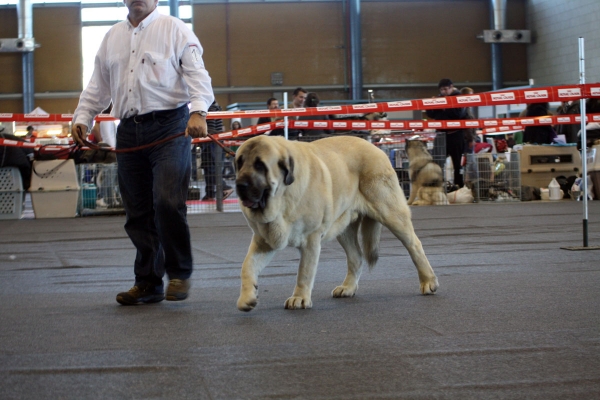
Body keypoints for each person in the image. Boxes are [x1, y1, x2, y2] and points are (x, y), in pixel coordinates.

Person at [70, 0, 214, 305]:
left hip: (170, 127)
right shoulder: (112, 37)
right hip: (128, 131)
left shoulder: (175, 29)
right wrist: (83, 117)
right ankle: (148, 282)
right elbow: (97, 86)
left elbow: (197, 75)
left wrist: (199, 111)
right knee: (136, 212)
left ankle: (179, 273)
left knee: (166, 200)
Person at [426, 78, 469, 187]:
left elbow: (457, 114)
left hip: (456, 134)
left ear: (451, 87)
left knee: (457, 164)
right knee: (437, 162)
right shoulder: (438, 98)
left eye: (445, 89)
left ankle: (459, 186)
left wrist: (443, 106)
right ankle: (437, 185)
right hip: (441, 135)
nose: (443, 92)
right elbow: (431, 114)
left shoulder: (460, 98)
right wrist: (431, 104)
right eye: (441, 90)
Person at [200, 101, 233, 201]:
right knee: (208, 166)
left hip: (211, 141)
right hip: (213, 141)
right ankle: (210, 193)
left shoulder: (210, 106)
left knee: (211, 167)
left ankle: (225, 187)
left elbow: (210, 128)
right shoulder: (213, 105)